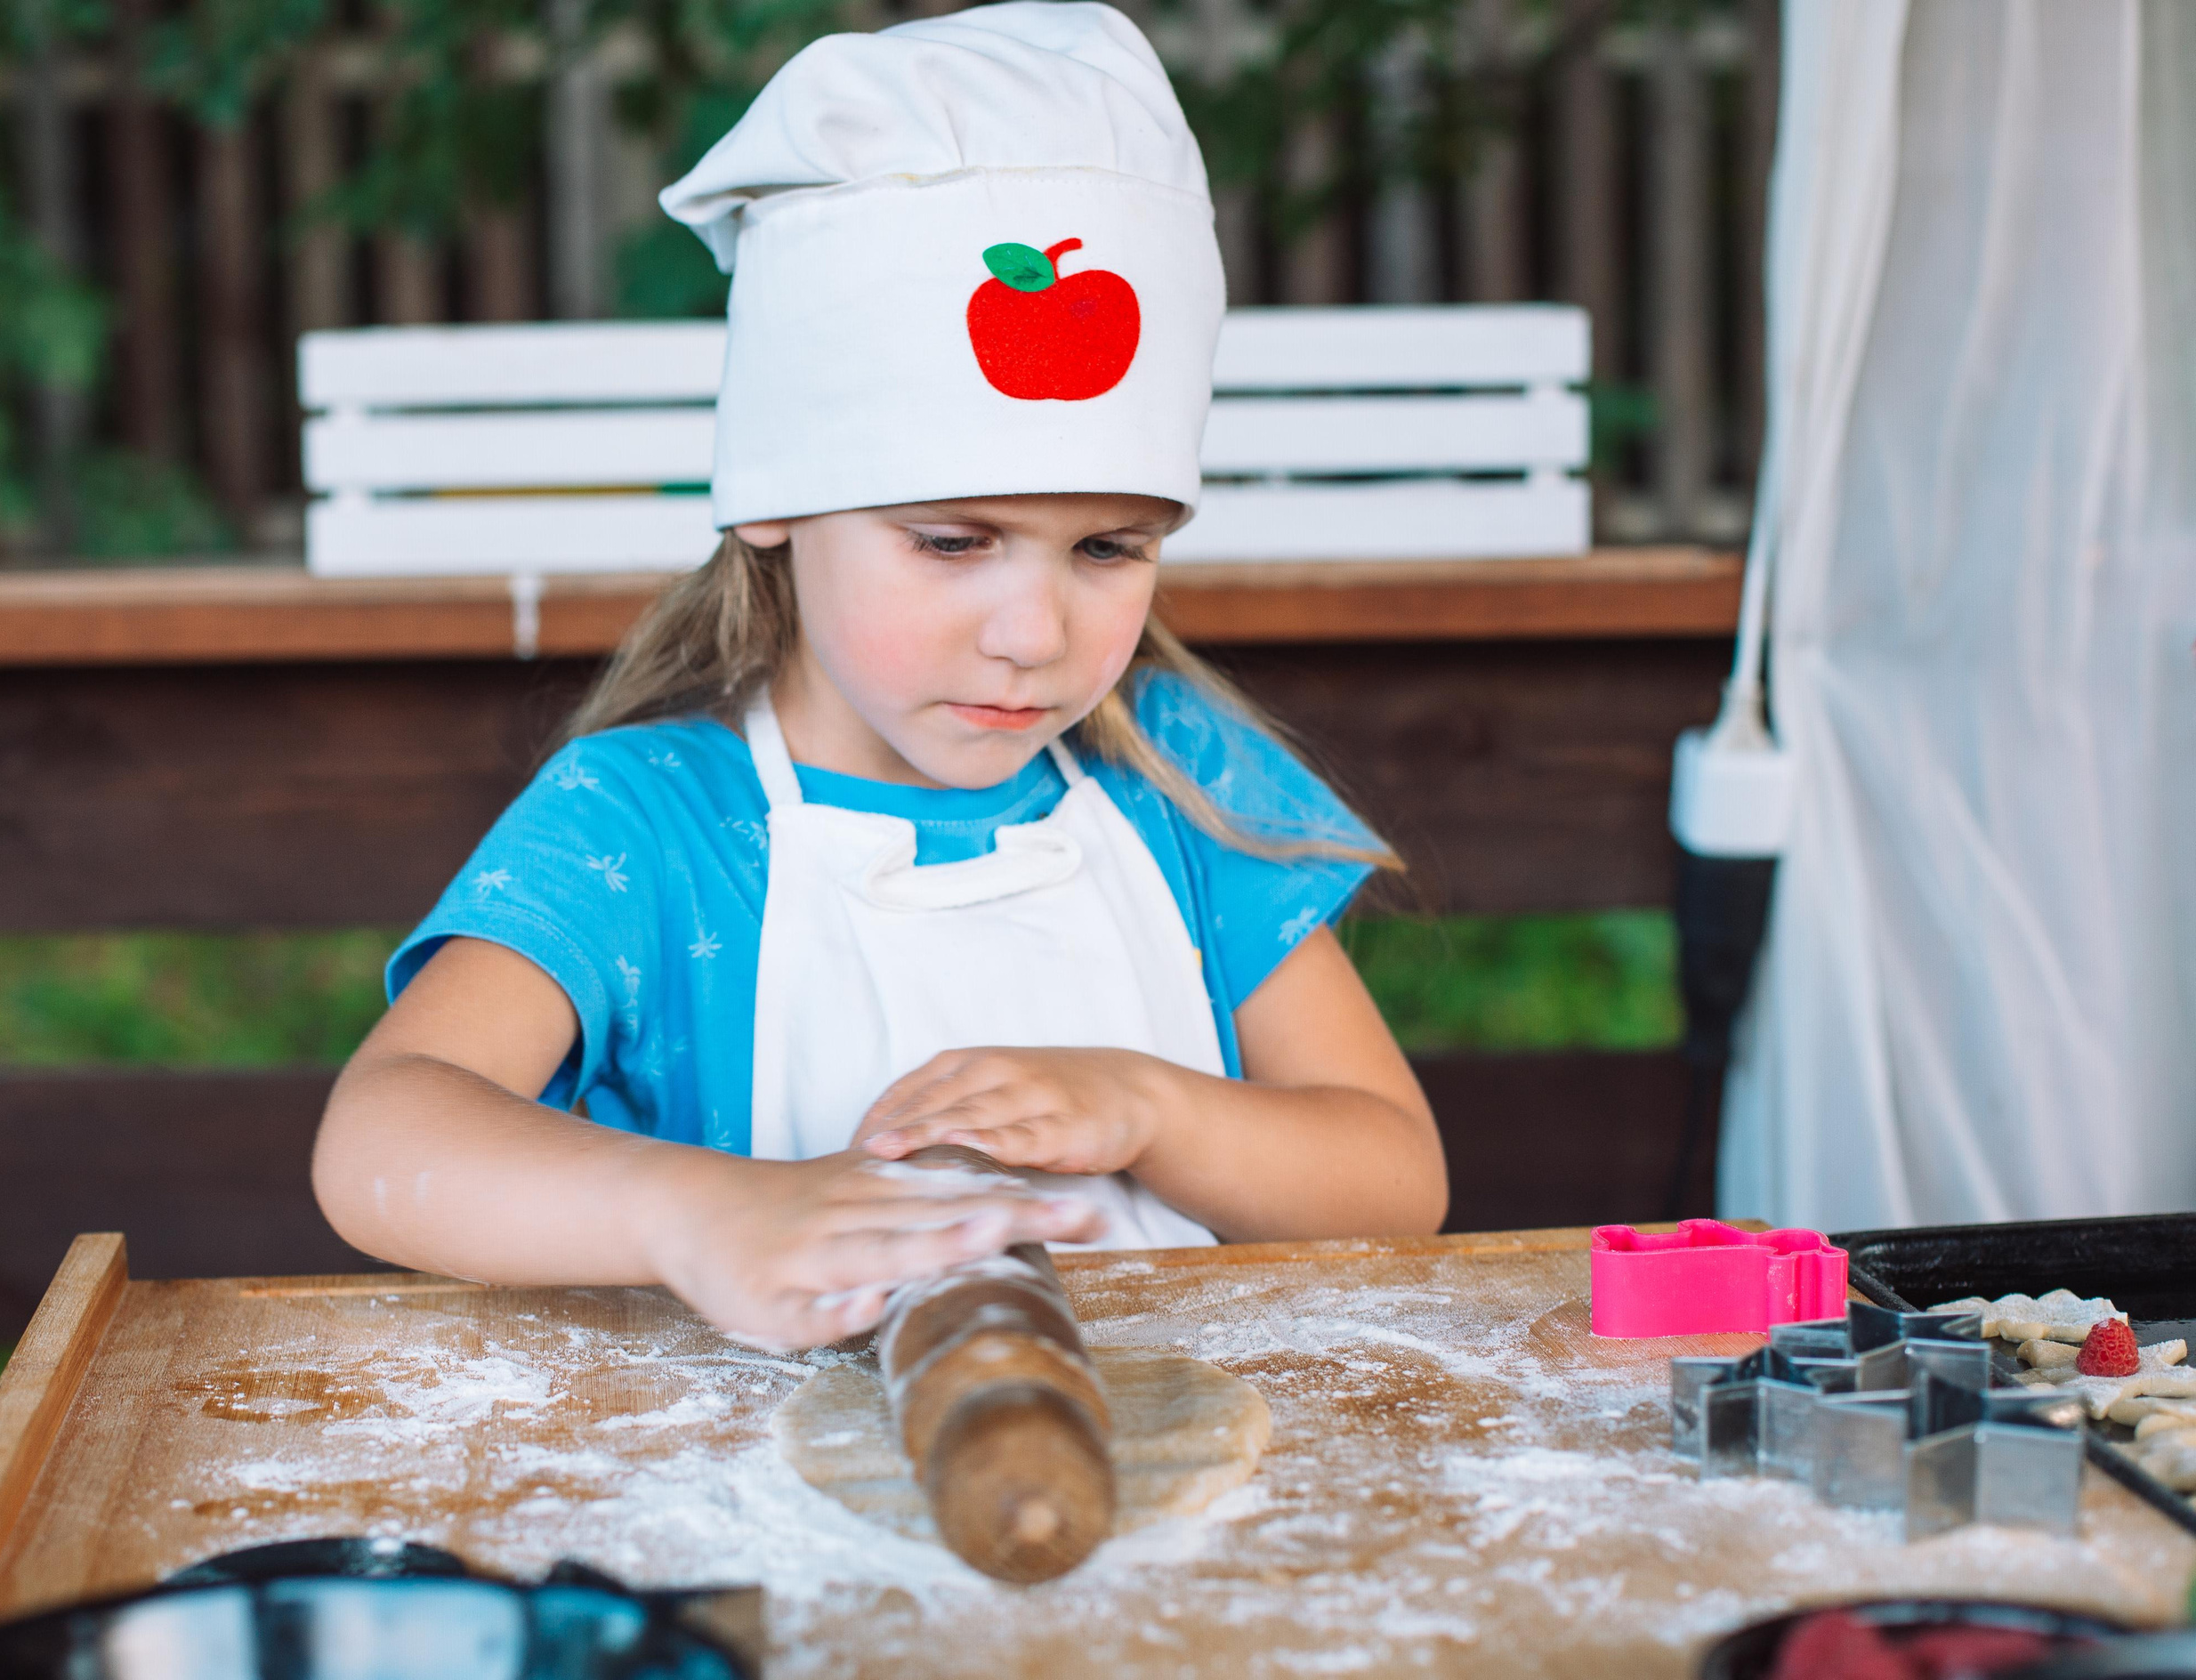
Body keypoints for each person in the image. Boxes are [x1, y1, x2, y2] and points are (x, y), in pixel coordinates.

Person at [311, 0, 1449, 1352]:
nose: (1033, 633)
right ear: (774, 500)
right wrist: (699, 1214)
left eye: (1108, 548)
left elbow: (1396, 1181)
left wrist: (1151, 1109)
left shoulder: (1175, 769)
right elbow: (382, 1134)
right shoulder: (650, 819)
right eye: (952, 543)